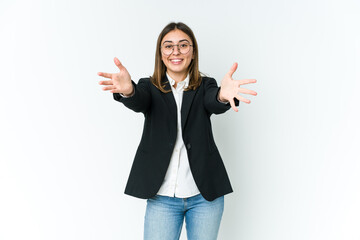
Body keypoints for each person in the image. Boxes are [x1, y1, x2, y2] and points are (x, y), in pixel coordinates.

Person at [98, 22, 257, 240]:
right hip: (162, 198)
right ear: (160, 53)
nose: (176, 51)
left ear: (192, 52)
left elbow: (214, 101)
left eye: (183, 45)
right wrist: (129, 91)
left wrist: (222, 95)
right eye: (169, 46)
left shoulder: (205, 85)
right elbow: (139, 99)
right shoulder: (149, 86)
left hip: (205, 197)